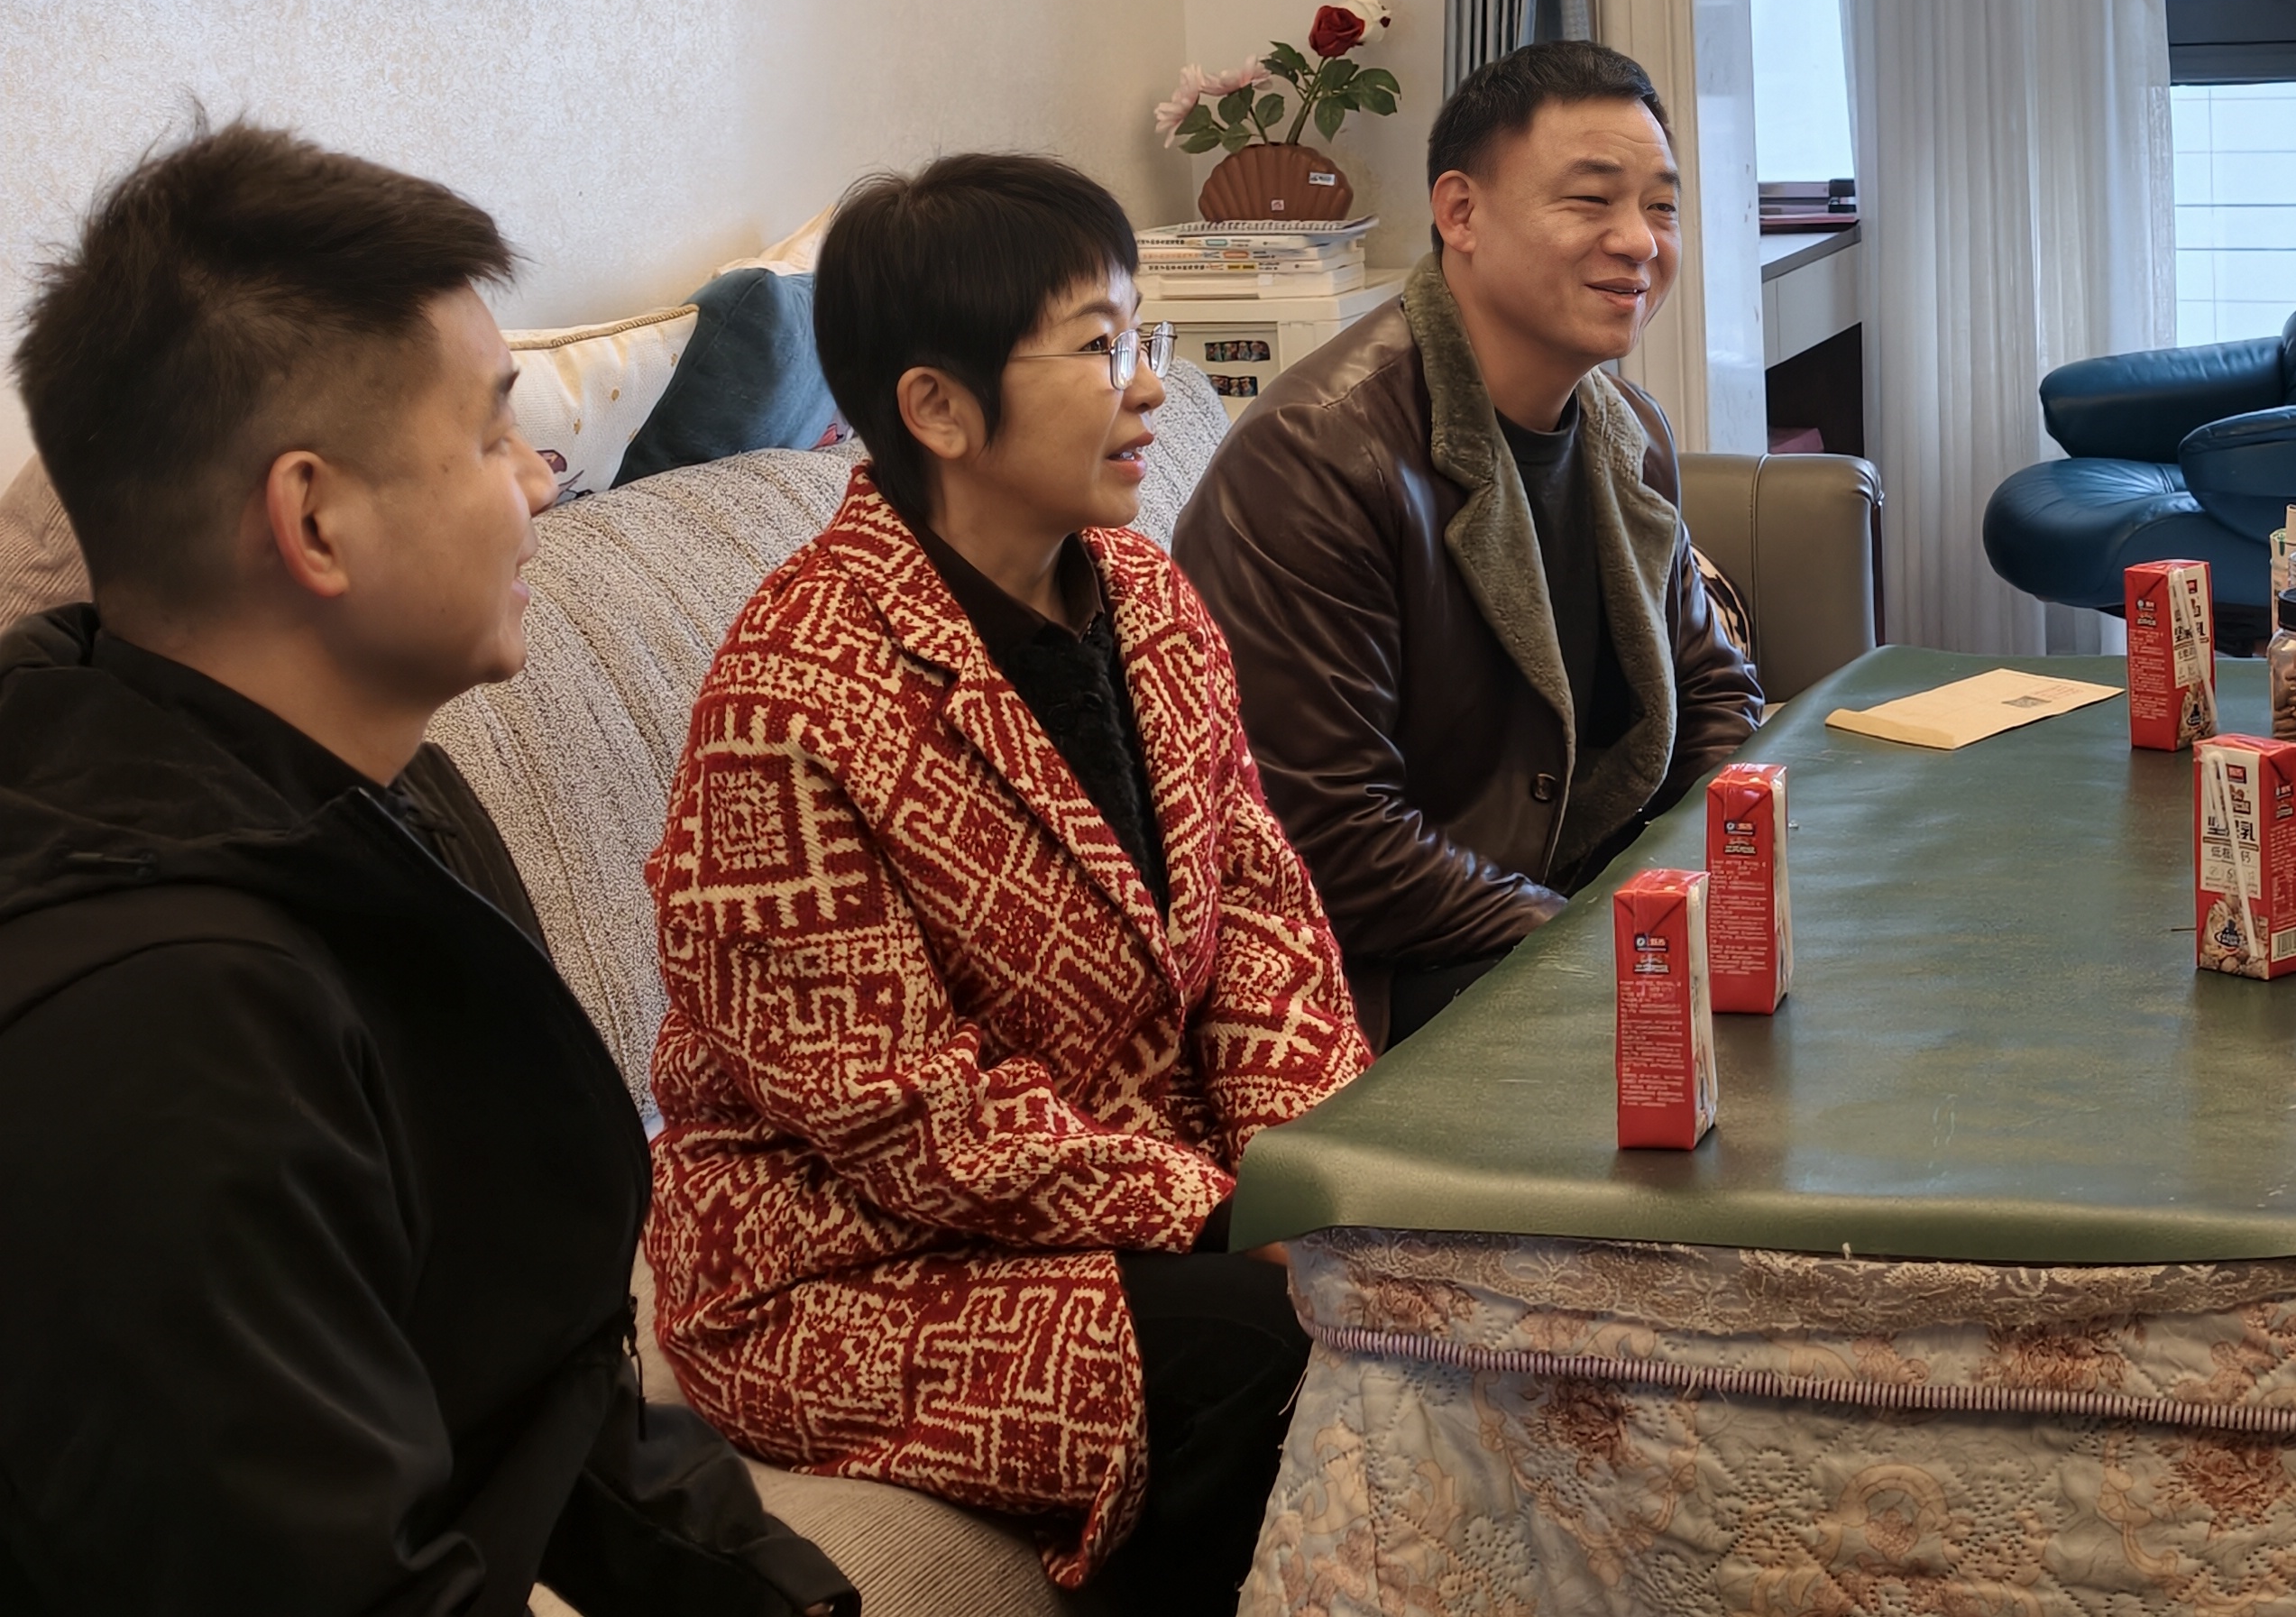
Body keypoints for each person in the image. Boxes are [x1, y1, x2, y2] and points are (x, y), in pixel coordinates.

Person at [0, 124, 851, 1617]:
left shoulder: (370, 802)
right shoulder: (162, 1027)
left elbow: (535, 1371)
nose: (541, 481)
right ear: (314, 520)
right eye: (489, 434)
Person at [639, 155, 1369, 1607]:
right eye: (1101, 346)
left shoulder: (1147, 595)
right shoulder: (793, 693)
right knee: (1268, 1351)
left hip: (1131, 1192)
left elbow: (1259, 908)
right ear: (937, 408)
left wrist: (1311, 1177)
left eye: (1143, 335)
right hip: (851, 1264)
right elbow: (898, 1107)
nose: (1149, 387)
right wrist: (1221, 1212)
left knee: (1405, 1298)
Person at [1176, 41, 1763, 1044]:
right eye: (1591, 200)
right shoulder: (1317, 457)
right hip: (1394, 972)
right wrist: (1610, 947)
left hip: (1572, 917)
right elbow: (1329, 838)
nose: (1639, 241)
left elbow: (1710, 688)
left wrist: (1719, 888)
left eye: (1661, 206)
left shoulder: (1626, 427)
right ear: (1461, 213)